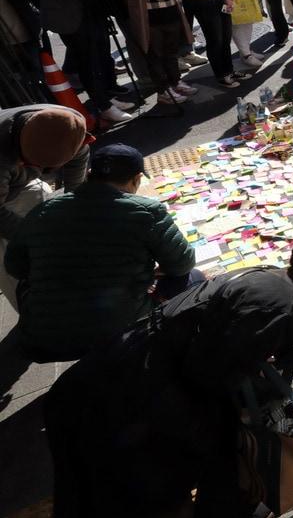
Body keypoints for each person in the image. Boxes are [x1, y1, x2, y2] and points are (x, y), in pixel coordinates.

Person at [44, 224, 293, 518]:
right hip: (136, 386)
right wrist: (264, 404)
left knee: (107, 475)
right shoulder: (282, 307)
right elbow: (208, 373)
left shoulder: (274, 279)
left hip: (123, 363)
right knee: (210, 445)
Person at [8, 143, 194, 362]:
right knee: (193, 277)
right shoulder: (147, 211)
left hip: (44, 339)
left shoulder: (44, 210)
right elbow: (183, 263)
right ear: (137, 179)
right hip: (120, 331)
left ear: (89, 174)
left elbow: (14, 266)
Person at [0, 105, 90, 310]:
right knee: (9, 259)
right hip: (7, 176)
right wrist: (34, 238)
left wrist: (74, 203)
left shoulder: (67, 125)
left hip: (16, 176)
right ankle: (33, 313)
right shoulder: (3, 159)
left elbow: (79, 157)